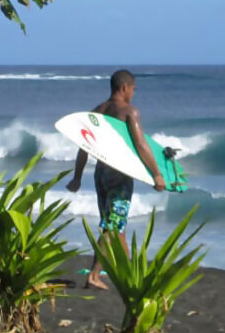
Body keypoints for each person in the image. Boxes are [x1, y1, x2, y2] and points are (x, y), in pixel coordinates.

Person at [65, 69, 166, 290]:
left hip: (101, 175)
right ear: (124, 87)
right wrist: (157, 174)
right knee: (112, 226)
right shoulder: (129, 112)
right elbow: (140, 144)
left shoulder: (97, 111)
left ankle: (127, 273)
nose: (133, 93)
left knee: (116, 227)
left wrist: (77, 177)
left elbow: (84, 146)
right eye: (132, 89)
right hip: (119, 177)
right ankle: (94, 274)